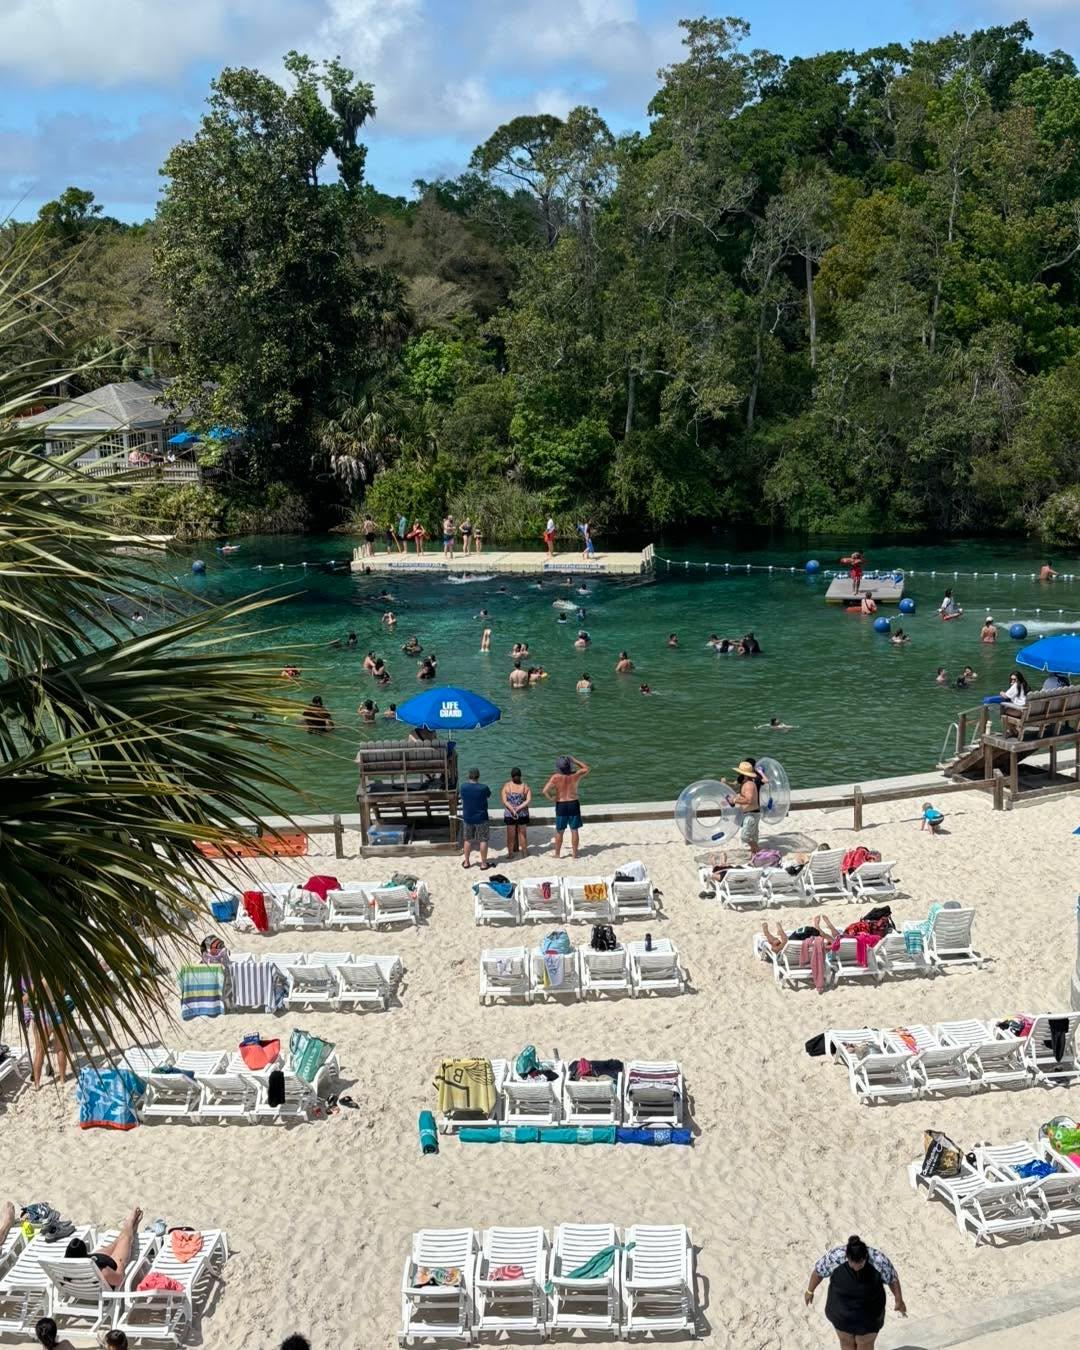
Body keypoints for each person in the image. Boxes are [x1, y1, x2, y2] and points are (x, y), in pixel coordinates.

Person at [806, 1234, 905, 1348]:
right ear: (847, 1257)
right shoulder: (836, 1256)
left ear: (865, 1256)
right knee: (846, 1343)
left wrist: (899, 1300)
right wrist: (810, 1291)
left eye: (861, 1264)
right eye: (852, 1264)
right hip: (841, 1313)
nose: (856, 1267)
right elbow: (818, 1272)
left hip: (870, 1315)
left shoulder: (878, 1260)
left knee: (865, 1344)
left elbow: (892, 1279)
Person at [65, 1207, 144, 1290]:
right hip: (112, 1264)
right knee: (126, 1238)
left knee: (117, 1241)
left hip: (96, 1261)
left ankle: (129, 1226)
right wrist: (121, 1264)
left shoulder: (66, 1271)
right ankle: (130, 1224)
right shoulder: (103, 1272)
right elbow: (119, 1279)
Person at [542, 755, 590, 859]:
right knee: (574, 830)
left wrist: (552, 798)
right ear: (570, 766)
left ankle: (557, 854)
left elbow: (545, 791)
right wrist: (575, 760)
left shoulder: (556, 777)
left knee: (560, 830)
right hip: (573, 803)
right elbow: (586, 768)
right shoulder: (576, 775)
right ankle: (575, 854)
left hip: (561, 804)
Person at [721, 760, 762, 850]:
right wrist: (734, 799)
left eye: (740, 773)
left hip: (751, 814)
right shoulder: (747, 783)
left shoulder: (748, 785)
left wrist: (735, 800)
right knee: (753, 837)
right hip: (752, 813)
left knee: (745, 837)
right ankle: (755, 854)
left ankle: (757, 850)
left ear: (745, 775)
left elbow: (749, 800)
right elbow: (744, 797)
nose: (738, 775)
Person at [460, 767, 491, 869]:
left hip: (468, 817)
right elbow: (488, 796)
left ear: (469, 776)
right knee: (483, 840)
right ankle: (483, 863)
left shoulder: (463, 787)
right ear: (478, 776)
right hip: (481, 817)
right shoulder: (483, 788)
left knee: (467, 840)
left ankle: (467, 862)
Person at [501, 767, 532, 856]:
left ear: (511, 776)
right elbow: (528, 800)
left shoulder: (507, 786)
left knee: (510, 836)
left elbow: (505, 801)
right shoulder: (525, 786)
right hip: (522, 813)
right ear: (520, 776)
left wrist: (512, 809)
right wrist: (519, 808)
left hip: (510, 814)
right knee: (523, 834)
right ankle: (525, 852)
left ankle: (510, 854)